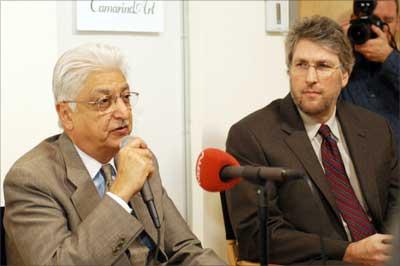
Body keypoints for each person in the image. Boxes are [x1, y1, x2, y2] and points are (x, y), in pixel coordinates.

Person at [3, 43, 225, 266]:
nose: (123, 112)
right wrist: (121, 192)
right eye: (104, 101)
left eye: (126, 97)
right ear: (66, 114)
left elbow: (184, 249)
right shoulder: (32, 178)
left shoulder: (137, 157)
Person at [225, 16, 399, 265]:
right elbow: (257, 237)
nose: (310, 78)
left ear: (345, 76)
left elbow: (396, 204)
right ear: (289, 70)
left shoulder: (375, 128)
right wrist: (348, 252)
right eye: (301, 65)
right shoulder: (252, 136)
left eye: (323, 66)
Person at [340, 0, 400, 150]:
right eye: (372, 20)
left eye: (387, 21)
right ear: (355, 20)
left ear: (398, 23)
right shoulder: (341, 65)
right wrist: (336, 47)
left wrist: (388, 57)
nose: (378, 28)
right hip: (357, 165)